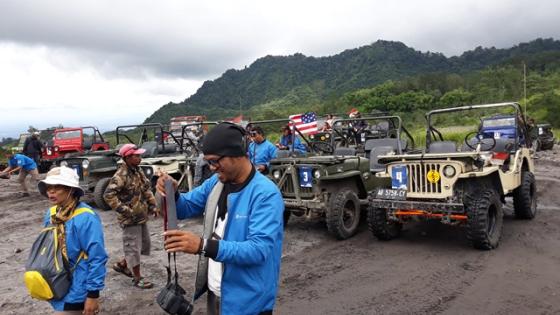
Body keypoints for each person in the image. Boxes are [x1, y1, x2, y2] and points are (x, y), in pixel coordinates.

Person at [156, 122, 284, 315]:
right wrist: (172, 193)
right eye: (208, 162)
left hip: (248, 302)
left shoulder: (265, 194)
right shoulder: (216, 183)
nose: (212, 167)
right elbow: (185, 207)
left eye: (215, 161)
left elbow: (258, 250)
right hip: (217, 294)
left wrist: (202, 246)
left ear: (236, 154)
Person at [38, 166, 108, 315]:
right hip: (57, 282)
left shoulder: (86, 217)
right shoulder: (51, 214)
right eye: (49, 187)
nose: (51, 191)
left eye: (57, 187)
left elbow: (97, 257)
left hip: (78, 287)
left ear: (71, 189)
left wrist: (92, 295)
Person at [103, 143, 159, 289]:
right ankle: (137, 278)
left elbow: (146, 189)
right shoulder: (120, 176)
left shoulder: (137, 171)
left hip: (140, 217)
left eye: (140, 155)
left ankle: (122, 265)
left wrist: (153, 205)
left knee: (143, 245)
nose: (140, 158)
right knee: (133, 249)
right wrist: (125, 210)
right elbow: (108, 195)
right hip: (130, 220)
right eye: (137, 156)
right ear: (127, 158)